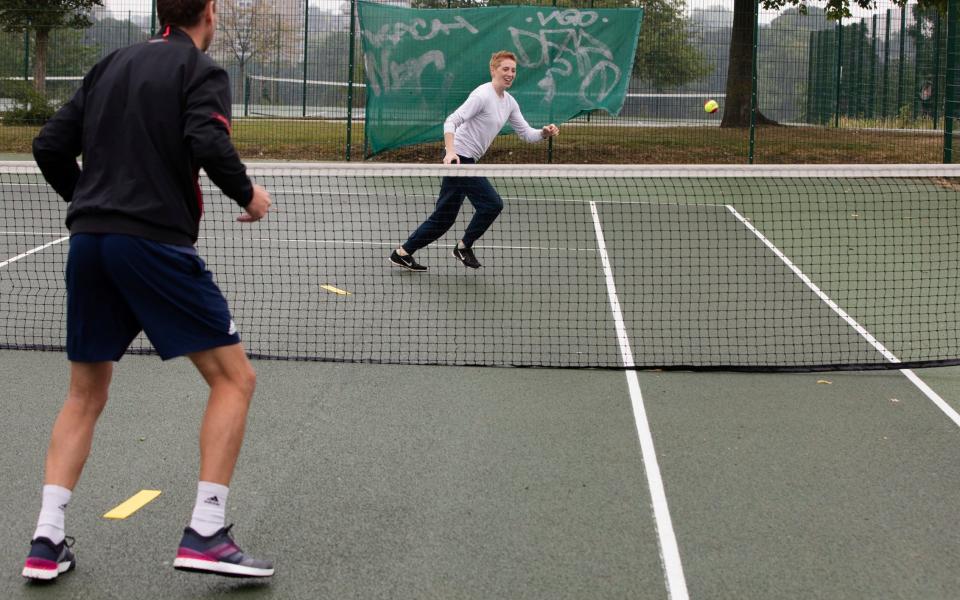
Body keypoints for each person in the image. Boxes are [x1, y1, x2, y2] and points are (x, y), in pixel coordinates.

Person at [23, 0, 274, 581]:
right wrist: (249, 196)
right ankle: (207, 531)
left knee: (84, 394)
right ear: (208, 13)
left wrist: (92, 203)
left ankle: (46, 539)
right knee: (235, 378)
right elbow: (208, 144)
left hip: (90, 244)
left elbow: (48, 146)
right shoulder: (201, 71)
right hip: (152, 245)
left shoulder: (110, 64)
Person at [390, 50, 560, 271]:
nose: (510, 74)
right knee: (492, 204)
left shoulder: (509, 102)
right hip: (460, 160)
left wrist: (544, 133)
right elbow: (451, 121)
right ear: (493, 69)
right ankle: (463, 247)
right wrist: (450, 153)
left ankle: (402, 253)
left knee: (444, 217)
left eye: (513, 70)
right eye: (505, 69)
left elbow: (526, 134)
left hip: (467, 159)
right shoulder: (482, 95)